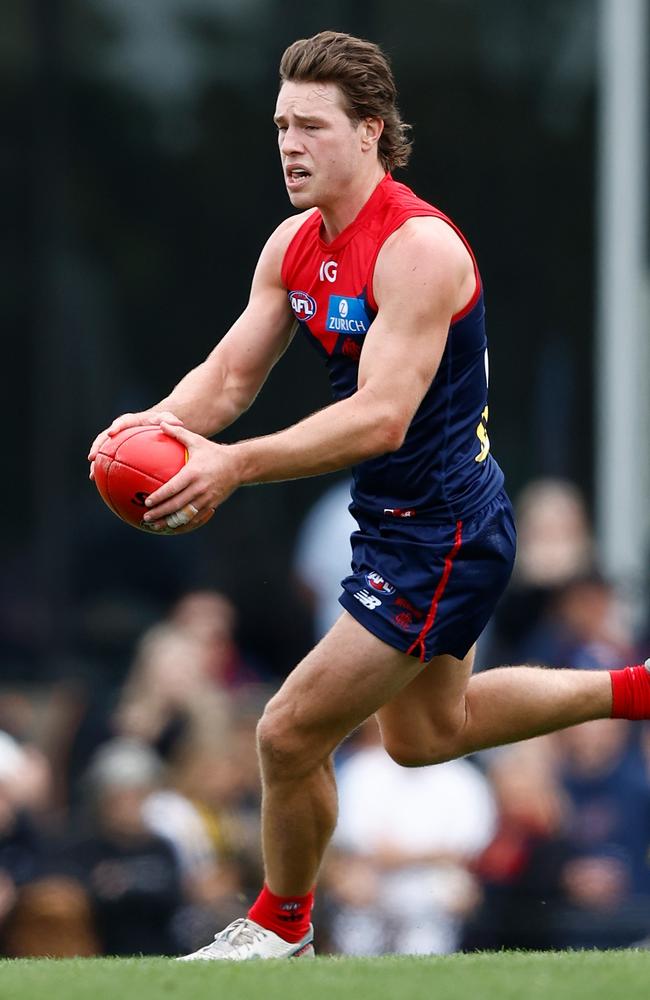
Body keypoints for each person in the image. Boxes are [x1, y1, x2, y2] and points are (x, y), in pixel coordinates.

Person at [88, 30, 650, 961]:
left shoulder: (418, 246)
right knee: (429, 736)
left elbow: (380, 420)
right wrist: (153, 423)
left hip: (444, 534)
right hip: (398, 526)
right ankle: (634, 689)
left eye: (311, 124)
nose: (289, 144)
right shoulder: (294, 245)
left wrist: (231, 465)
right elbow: (228, 378)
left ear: (370, 133)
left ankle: (282, 929)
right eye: (280, 125)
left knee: (286, 729)